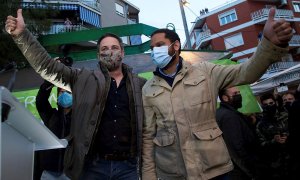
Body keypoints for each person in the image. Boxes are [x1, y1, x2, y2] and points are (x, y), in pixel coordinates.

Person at [141, 8, 292, 180]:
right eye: (152, 48)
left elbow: (246, 72)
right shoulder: (148, 88)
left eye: (159, 45)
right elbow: (148, 137)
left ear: (176, 46)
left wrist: (268, 44)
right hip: (175, 175)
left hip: (215, 171)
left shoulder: (205, 71)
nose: (154, 51)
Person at [6, 9, 146, 180]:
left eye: (115, 48)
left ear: (123, 53)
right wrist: (22, 35)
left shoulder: (140, 85)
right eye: (105, 48)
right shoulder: (82, 78)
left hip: (129, 169)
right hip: (92, 168)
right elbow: (47, 66)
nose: (110, 52)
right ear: (98, 55)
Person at [35, 57, 73, 180]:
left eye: (68, 92)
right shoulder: (52, 116)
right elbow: (41, 101)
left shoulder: (81, 117)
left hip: (72, 172)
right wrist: (51, 79)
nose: (64, 95)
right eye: (61, 92)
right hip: (49, 171)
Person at [216, 87, 259, 180]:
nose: (239, 96)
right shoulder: (229, 116)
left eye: (239, 92)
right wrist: (250, 171)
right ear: (225, 98)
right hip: (240, 171)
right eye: (235, 94)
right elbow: (236, 146)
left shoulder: (226, 113)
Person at [256, 93, 289, 180]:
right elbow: (261, 144)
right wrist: (273, 141)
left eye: (271, 103)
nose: (269, 106)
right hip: (276, 164)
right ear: (262, 106)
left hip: (292, 158)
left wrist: (288, 137)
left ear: (275, 103)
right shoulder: (261, 124)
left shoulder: (286, 116)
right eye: (265, 104)